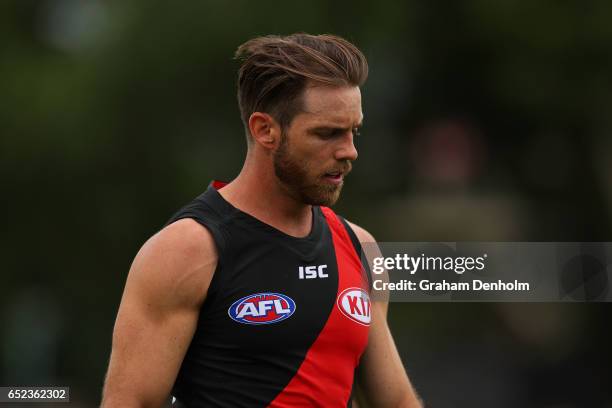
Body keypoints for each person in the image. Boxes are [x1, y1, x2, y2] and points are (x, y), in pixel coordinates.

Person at [101, 33, 422, 408]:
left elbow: (398, 401)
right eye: (327, 133)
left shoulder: (359, 247)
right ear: (265, 130)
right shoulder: (188, 250)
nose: (349, 151)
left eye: (354, 131)